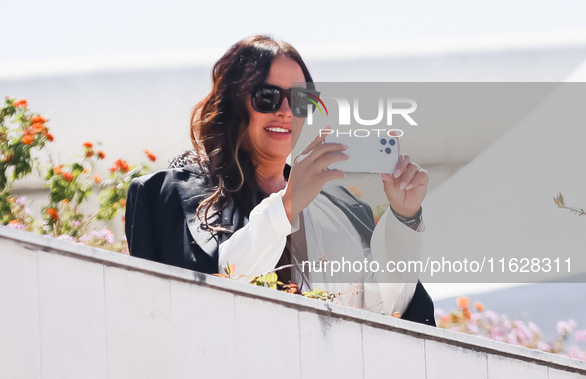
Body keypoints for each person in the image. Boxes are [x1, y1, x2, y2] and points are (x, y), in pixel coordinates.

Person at [125, 35, 435, 325]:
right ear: (234, 102)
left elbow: (386, 309)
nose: (286, 111)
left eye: (301, 100)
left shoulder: (343, 207)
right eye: (267, 97)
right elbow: (212, 294)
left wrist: (404, 221)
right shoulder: (171, 195)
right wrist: (286, 207)